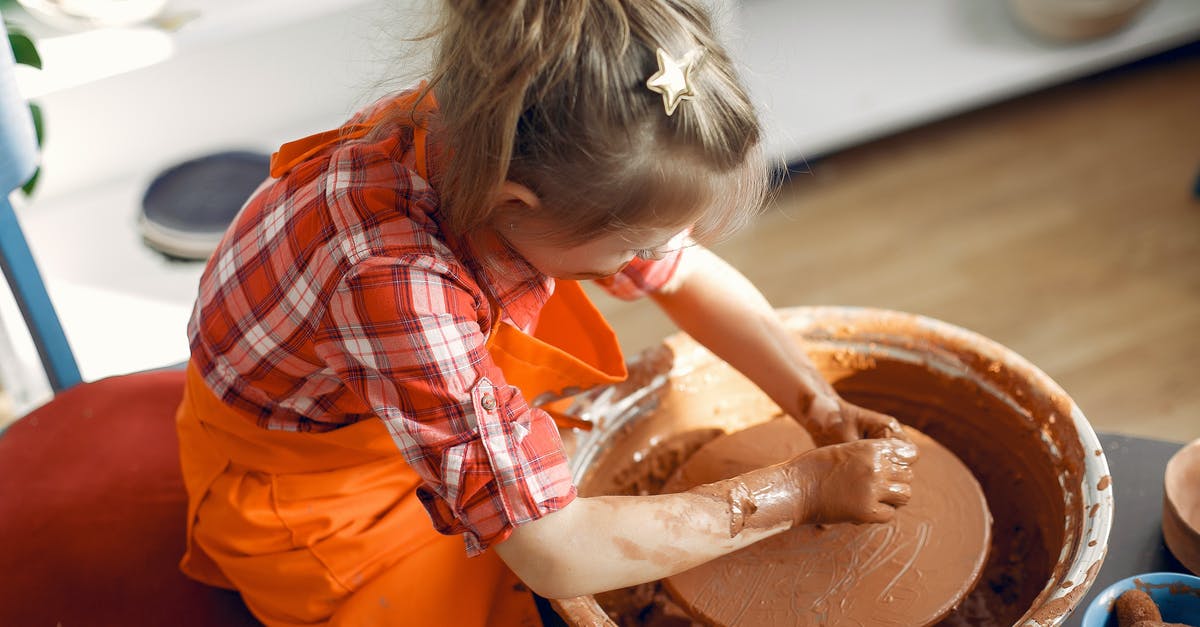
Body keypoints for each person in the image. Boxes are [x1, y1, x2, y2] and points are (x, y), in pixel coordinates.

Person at [175, 1, 919, 625]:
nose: (663, 253)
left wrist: (816, 403)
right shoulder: (398, 280)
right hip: (306, 494)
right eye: (639, 244)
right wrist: (800, 490)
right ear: (517, 208)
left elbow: (684, 272)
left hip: (385, 390)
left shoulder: (507, 124)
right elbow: (550, 546)